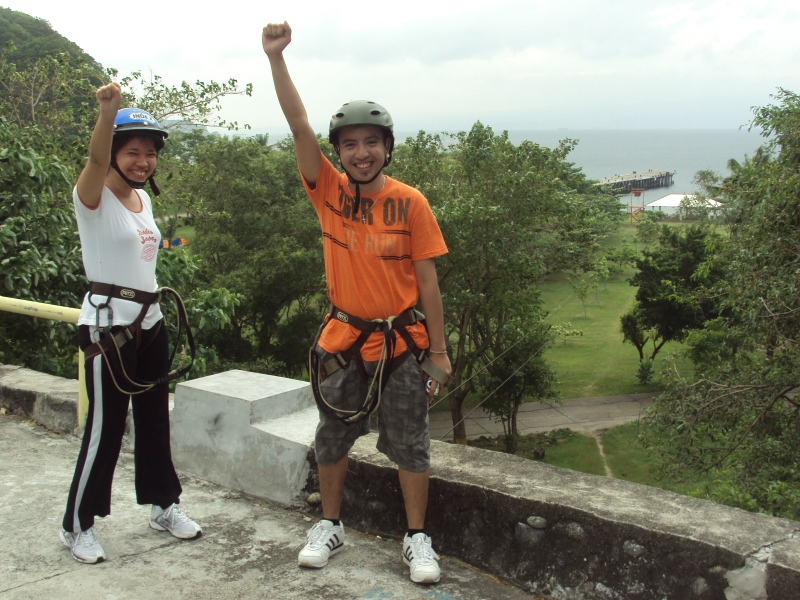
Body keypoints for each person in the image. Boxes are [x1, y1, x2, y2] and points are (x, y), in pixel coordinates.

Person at [262, 21, 453, 585]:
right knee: (333, 435)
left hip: (402, 343)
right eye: (350, 143)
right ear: (338, 152)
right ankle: (330, 522)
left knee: (411, 443)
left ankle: (417, 537)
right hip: (345, 341)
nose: (362, 152)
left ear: (387, 149)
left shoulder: (411, 203)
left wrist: (438, 352)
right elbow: (298, 124)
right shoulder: (328, 191)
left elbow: (429, 282)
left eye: (372, 142)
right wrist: (276, 59)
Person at [60, 82, 201, 564]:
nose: (143, 161)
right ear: (115, 152)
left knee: (153, 422)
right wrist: (106, 113)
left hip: (151, 322)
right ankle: (78, 524)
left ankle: (164, 504)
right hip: (108, 327)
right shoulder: (92, 199)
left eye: (150, 154)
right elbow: (96, 163)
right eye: (133, 152)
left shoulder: (144, 202)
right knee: (105, 427)